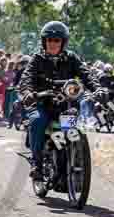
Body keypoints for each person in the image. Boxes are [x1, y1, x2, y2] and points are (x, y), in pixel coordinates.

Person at [19, 21, 104, 179]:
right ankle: (37, 164)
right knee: (37, 121)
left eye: (56, 40)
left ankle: (73, 162)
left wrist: (98, 88)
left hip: (65, 106)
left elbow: (87, 74)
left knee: (71, 128)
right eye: (49, 40)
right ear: (44, 41)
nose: (52, 43)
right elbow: (26, 78)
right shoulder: (37, 59)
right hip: (41, 104)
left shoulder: (71, 58)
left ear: (63, 42)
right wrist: (28, 92)